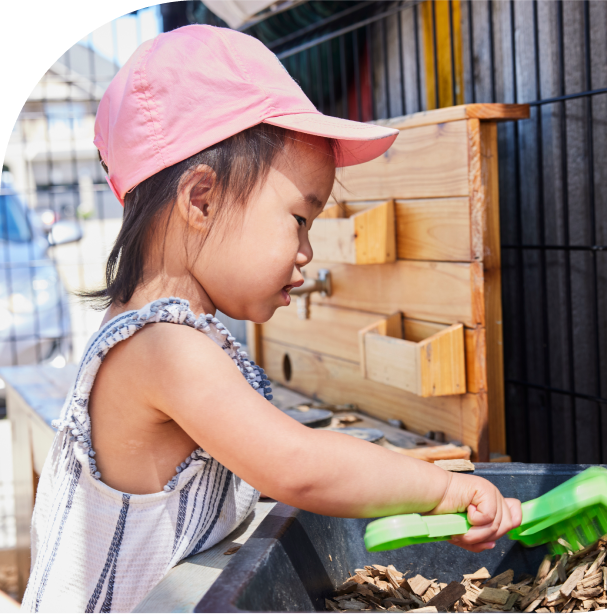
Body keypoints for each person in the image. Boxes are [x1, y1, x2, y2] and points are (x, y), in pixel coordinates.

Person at [22, 25, 522, 614]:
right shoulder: (161, 349)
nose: (307, 252)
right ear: (201, 199)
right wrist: (443, 489)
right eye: (299, 219)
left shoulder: (168, 336)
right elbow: (297, 466)